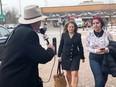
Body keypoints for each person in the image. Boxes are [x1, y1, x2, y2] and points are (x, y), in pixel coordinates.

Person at [0, 5, 55, 87]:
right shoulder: (29, 33)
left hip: (8, 79)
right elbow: (43, 57)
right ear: (36, 21)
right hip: (17, 81)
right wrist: (51, 49)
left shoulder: (17, 30)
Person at [86, 16, 113, 87]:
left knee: (104, 80)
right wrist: (95, 50)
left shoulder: (107, 34)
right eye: (93, 23)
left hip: (105, 58)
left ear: (101, 23)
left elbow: (112, 45)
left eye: (97, 23)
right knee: (99, 80)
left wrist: (108, 49)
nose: (95, 25)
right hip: (94, 58)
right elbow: (87, 47)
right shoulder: (89, 34)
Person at [58, 21, 85, 87]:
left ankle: (74, 85)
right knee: (68, 73)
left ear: (75, 28)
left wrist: (82, 57)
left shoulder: (78, 35)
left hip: (75, 56)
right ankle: (70, 85)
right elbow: (61, 45)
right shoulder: (64, 35)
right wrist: (59, 55)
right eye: (69, 27)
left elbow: (80, 46)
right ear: (67, 28)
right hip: (65, 56)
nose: (71, 28)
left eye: (73, 27)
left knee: (75, 73)